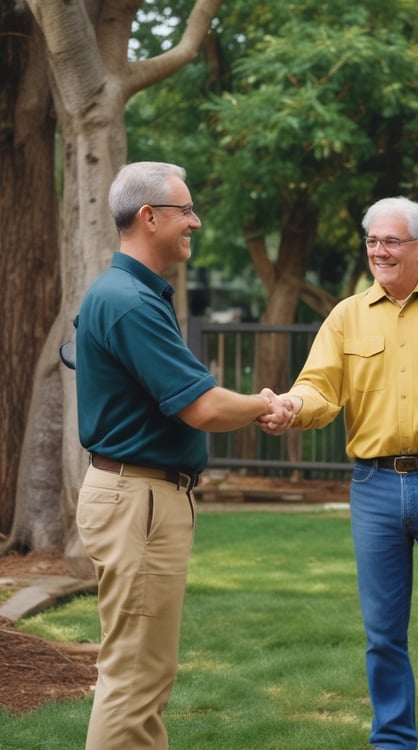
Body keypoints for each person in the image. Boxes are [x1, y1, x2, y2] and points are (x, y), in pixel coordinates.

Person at [259, 196, 418, 750]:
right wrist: (289, 406)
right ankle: (393, 742)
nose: (379, 251)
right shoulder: (347, 316)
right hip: (373, 488)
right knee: (382, 636)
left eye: (391, 241)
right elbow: (319, 390)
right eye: (373, 241)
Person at [74, 161, 292, 750]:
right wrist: (265, 402)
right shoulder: (129, 302)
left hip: (140, 497)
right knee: (134, 677)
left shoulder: (129, 293)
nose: (194, 221)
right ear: (149, 217)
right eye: (185, 211)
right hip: (137, 500)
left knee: (145, 673)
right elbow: (201, 407)